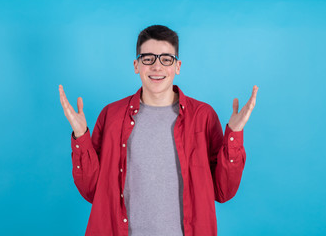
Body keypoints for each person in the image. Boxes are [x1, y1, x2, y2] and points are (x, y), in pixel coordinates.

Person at [59, 25, 258, 236]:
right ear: (136, 65)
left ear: (178, 66)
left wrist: (234, 135)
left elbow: (223, 191)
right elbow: (92, 191)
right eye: (148, 58)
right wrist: (81, 136)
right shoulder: (111, 115)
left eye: (166, 59)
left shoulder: (203, 116)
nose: (157, 66)